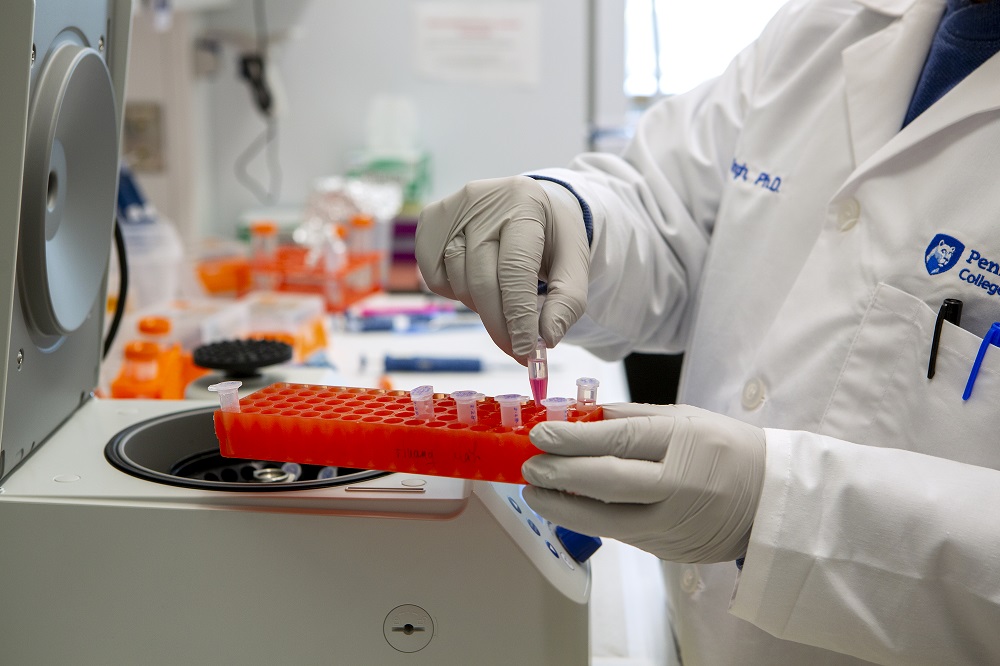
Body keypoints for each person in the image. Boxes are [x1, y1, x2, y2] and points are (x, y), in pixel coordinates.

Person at [415, 0, 1000, 663]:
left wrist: (784, 512)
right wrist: (565, 216)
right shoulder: (829, 24)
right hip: (690, 632)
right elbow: (664, 208)